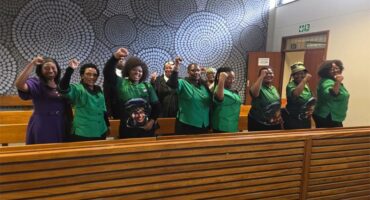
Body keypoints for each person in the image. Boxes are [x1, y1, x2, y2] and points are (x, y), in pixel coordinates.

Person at [104, 48, 160, 138]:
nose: (137, 72)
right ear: (128, 70)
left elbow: (157, 106)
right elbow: (107, 73)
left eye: (140, 71)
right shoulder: (121, 83)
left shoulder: (147, 86)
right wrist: (115, 58)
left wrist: (152, 122)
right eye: (134, 70)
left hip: (146, 130)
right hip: (127, 130)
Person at [15, 55, 72, 144]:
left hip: (61, 124)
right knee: (44, 152)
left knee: (60, 153)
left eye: (53, 67)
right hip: (43, 125)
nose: (50, 70)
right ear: (40, 70)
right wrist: (32, 64)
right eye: (46, 68)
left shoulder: (61, 84)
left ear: (58, 69)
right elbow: (19, 85)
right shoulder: (36, 83)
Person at [59, 59, 109, 141]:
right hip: (83, 133)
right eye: (88, 74)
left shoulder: (98, 89)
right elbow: (63, 88)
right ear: (82, 76)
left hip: (101, 130)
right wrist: (70, 69)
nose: (92, 77)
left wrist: (107, 125)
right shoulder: (78, 88)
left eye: (95, 75)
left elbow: (103, 110)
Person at [167, 60, 211, 134]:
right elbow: (172, 84)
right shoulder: (183, 82)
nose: (196, 72)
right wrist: (176, 67)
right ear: (188, 72)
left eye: (198, 70)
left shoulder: (203, 85)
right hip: (187, 125)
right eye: (193, 70)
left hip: (204, 125)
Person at [313, 60, 349, 128]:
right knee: (330, 138)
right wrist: (338, 81)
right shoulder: (326, 81)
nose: (335, 70)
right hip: (327, 116)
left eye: (337, 68)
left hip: (334, 117)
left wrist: (337, 82)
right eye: (331, 69)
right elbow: (333, 94)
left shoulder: (334, 81)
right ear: (326, 71)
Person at [282, 62, 316, 129]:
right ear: (293, 76)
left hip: (305, 118)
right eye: (296, 74)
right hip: (293, 118)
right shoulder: (290, 85)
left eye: (302, 73)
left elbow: (310, 98)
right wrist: (304, 80)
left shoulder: (306, 85)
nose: (299, 76)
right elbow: (295, 94)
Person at [248, 67, 282, 131]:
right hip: (259, 123)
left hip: (274, 123)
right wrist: (261, 77)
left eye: (271, 73)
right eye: (266, 73)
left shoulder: (273, 88)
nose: (268, 75)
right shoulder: (258, 87)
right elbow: (254, 94)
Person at [211, 67, 241, 133]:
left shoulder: (231, 91)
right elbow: (219, 97)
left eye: (233, 78)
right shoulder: (218, 90)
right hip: (222, 127)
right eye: (228, 78)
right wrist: (221, 79)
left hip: (233, 125)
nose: (232, 81)